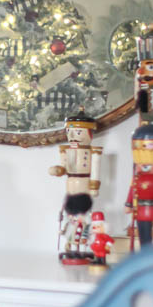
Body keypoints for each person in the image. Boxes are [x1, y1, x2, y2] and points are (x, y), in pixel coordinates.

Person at [49, 110, 102, 262]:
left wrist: (94, 186)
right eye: (69, 132)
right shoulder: (66, 150)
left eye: (77, 132)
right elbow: (64, 167)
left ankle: (83, 248)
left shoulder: (93, 152)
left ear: (89, 134)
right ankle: (71, 246)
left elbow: (96, 168)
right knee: (71, 214)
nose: (72, 136)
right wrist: (57, 170)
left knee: (84, 217)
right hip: (71, 183)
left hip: (84, 184)